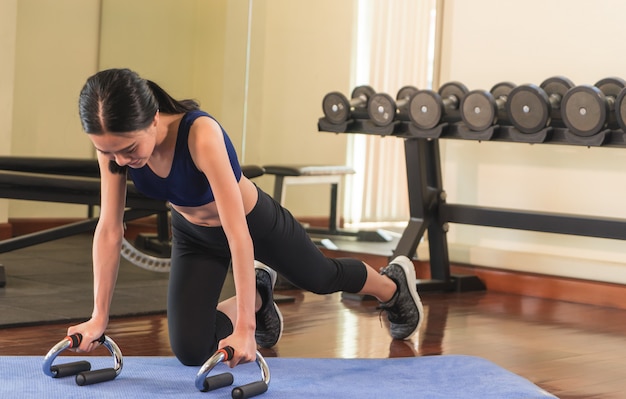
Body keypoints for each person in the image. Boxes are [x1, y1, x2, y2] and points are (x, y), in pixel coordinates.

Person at [68, 68, 423, 368]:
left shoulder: (200, 135)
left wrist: (246, 331)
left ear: (153, 118)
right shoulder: (114, 151)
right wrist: (99, 315)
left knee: (320, 277)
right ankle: (257, 297)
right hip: (194, 235)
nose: (121, 160)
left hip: (252, 222)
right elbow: (111, 229)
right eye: (107, 151)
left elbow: (238, 234)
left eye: (129, 149)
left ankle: (392, 285)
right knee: (192, 351)